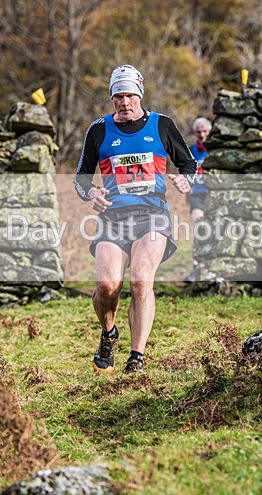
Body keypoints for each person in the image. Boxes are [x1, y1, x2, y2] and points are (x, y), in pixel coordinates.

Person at [73, 64, 197, 374]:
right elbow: (80, 179)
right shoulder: (99, 130)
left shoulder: (162, 125)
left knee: (142, 280)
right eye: (118, 96)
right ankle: (108, 333)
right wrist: (91, 194)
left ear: (139, 94)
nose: (124, 102)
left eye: (129, 95)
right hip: (113, 220)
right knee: (106, 286)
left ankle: (136, 357)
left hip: (152, 216)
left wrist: (186, 180)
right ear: (112, 98)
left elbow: (189, 164)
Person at [186, 117, 211, 281]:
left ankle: (210, 265)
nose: (202, 135)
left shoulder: (215, 151)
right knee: (199, 226)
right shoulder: (190, 151)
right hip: (197, 196)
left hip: (213, 195)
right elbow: (185, 174)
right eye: (199, 132)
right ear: (194, 133)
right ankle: (196, 267)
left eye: (205, 131)